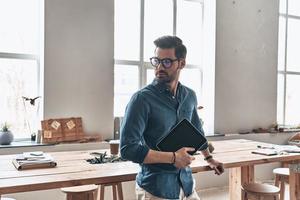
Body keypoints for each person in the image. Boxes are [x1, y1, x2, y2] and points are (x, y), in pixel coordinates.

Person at [120, 35, 224, 200]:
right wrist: (174, 158)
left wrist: (209, 158)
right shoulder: (141, 99)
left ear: (181, 63)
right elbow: (127, 149)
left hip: (187, 185)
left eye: (167, 62)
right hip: (156, 189)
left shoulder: (189, 96)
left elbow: (197, 130)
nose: (159, 67)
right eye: (157, 61)